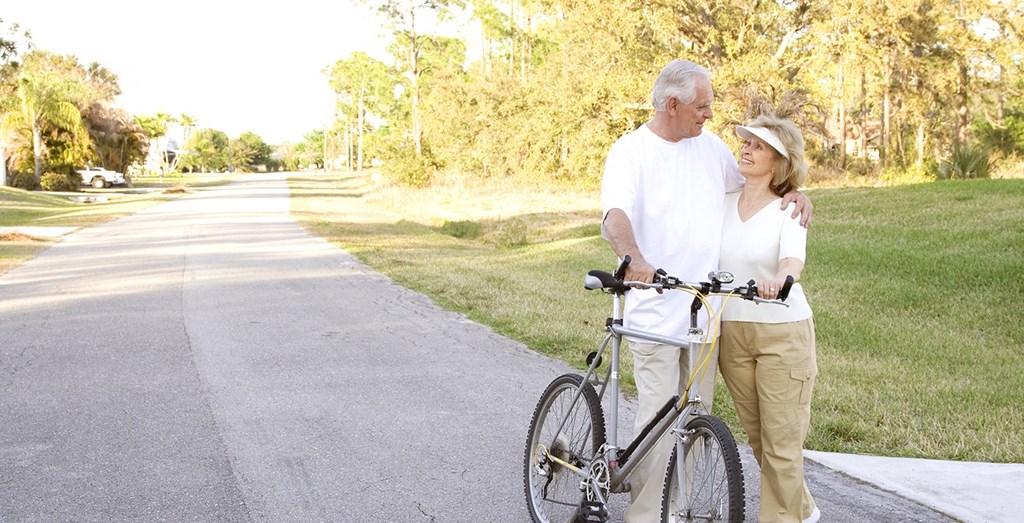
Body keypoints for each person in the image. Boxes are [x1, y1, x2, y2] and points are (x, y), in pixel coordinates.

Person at [600, 59, 812, 523]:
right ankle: (644, 517)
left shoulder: (711, 149)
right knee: (655, 423)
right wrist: (634, 258)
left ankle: (673, 512)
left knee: (692, 427)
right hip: (654, 315)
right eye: (703, 105)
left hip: (704, 319)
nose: (710, 115)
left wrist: (798, 193)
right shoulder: (630, 152)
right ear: (672, 104)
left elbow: (764, 184)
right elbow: (615, 216)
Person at [718, 114, 820, 523]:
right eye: (745, 142)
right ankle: (804, 511)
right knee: (761, 440)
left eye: (758, 146)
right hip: (732, 332)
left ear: (779, 161)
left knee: (782, 442)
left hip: (782, 332)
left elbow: (792, 259)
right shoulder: (721, 200)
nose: (746, 148)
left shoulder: (789, 209)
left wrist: (782, 278)